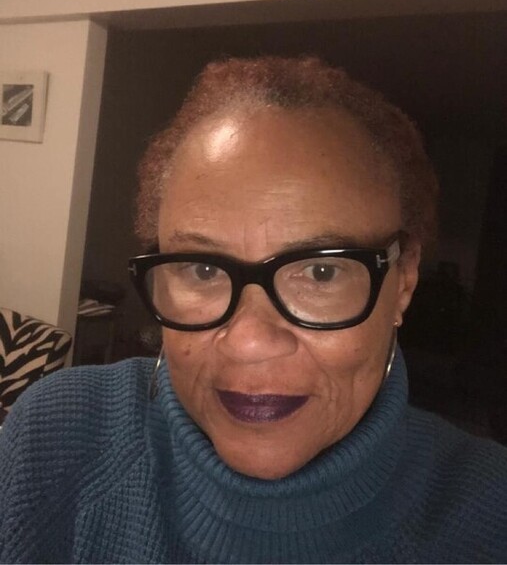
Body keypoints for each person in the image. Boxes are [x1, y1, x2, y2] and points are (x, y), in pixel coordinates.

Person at [1, 56, 506, 564]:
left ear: (404, 282)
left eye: (321, 272)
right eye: (203, 270)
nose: (248, 341)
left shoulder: (490, 513)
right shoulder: (57, 437)